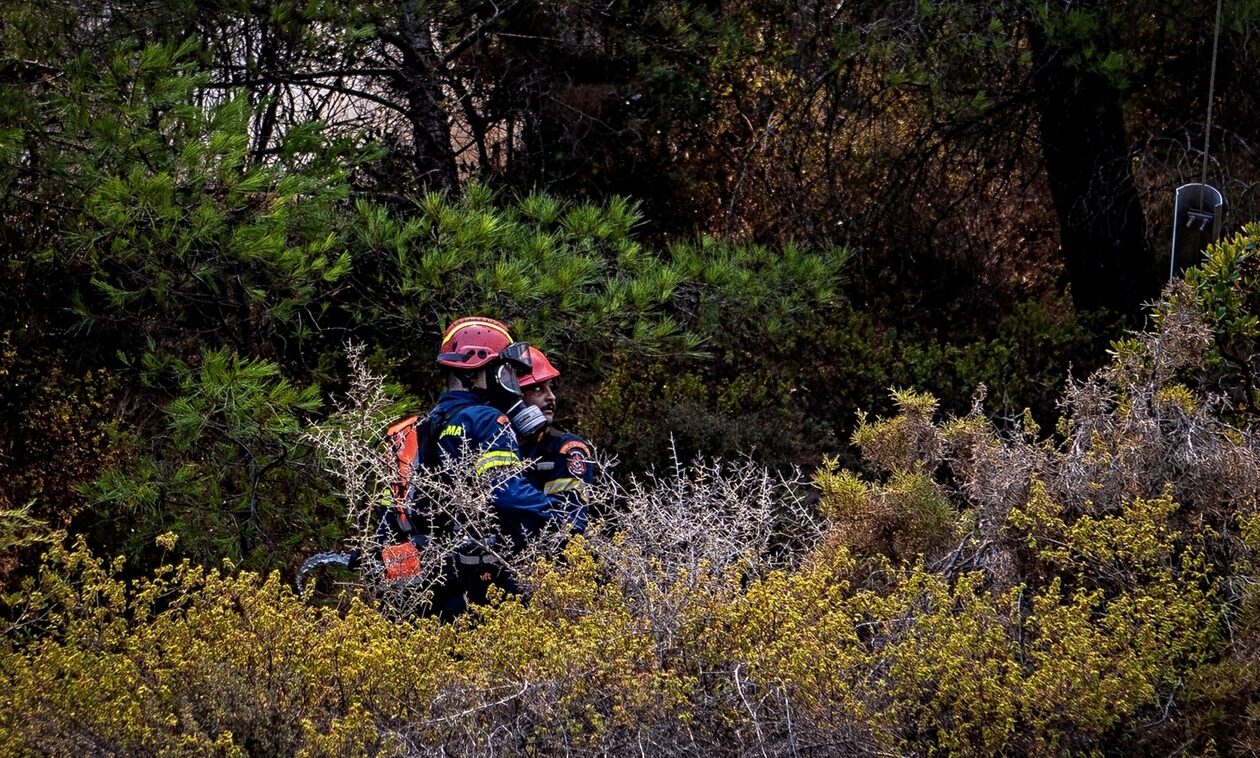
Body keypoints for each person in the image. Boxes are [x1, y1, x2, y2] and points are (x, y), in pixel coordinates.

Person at [389, 316, 583, 617]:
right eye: (506, 371)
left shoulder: (416, 428)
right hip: (479, 585)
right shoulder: (488, 420)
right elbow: (505, 492)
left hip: (423, 583)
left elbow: (390, 515)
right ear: (482, 369)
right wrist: (556, 517)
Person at [516, 346, 594, 533]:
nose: (551, 397)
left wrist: (511, 499)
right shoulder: (492, 443)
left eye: (550, 387)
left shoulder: (566, 449)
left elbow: (570, 521)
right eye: (537, 389)